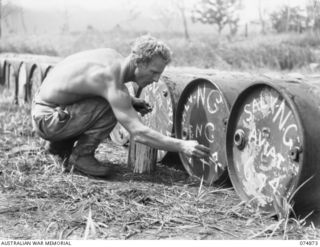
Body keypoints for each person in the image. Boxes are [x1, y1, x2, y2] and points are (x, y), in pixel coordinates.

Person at [31, 35, 210, 177]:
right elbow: (138, 133)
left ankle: (58, 145)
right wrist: (183, 146)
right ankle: (81, 156)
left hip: (48, 109)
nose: (156, 79)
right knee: (110, 105)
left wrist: (131, 101)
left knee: (114, 100)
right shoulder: (112, 82)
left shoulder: (112, 58)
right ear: (139, 62)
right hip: (47, 120)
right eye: (154, 72)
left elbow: (84, 86)